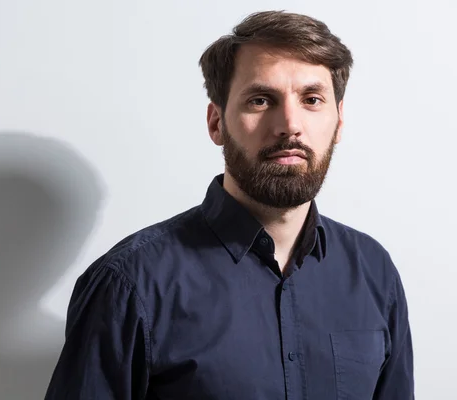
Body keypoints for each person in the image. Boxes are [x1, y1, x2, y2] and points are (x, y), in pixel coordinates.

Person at [44, 10, 414, 400]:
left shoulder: (375, 273)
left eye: (312, 99)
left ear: (338, 122)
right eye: (260, 99)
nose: (289, 124)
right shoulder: (130, 284)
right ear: (216, 123)